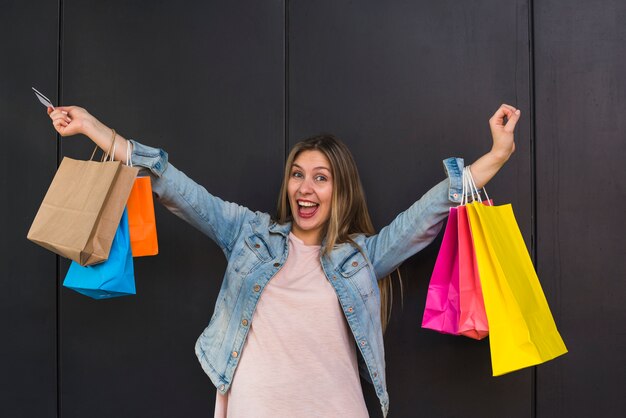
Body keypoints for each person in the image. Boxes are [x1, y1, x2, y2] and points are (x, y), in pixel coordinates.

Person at [48, 104, 520, 417]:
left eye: (320, 177)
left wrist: (496, 156)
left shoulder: (360, 257)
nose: (305, 188)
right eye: (298, 175)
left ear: (340, 191)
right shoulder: (247, 234)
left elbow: (429, 213)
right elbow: (173, 186)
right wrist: (93, 129)